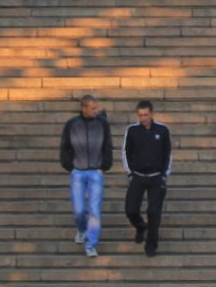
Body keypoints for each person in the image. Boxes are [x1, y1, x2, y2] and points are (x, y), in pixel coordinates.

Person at [58, 96, 113, 256]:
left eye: (97, 108)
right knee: (79, 210)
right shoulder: (72, 124)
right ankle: (82, 229)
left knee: (95, 210)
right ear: (84, 108)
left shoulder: (102, 124)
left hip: (96, 171)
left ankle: (91, 243)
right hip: (78, 172)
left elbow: (107, 146)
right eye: (93, 108)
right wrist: (70, 167)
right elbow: (64, 146)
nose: (96, 111)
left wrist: (104, 167)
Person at [123, 100, 173, 255]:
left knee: (153, 212)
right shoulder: (131, 130)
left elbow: (168, 153)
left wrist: (164, 174)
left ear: (151, 113)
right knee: (130, 210)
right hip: (137, 176)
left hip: (156, 177)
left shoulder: (163, 130)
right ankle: (140, 226)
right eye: (140, 115)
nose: (143, 118)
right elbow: (125, 152)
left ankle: (151, 246)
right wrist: (130, 173)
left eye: (145, 114)